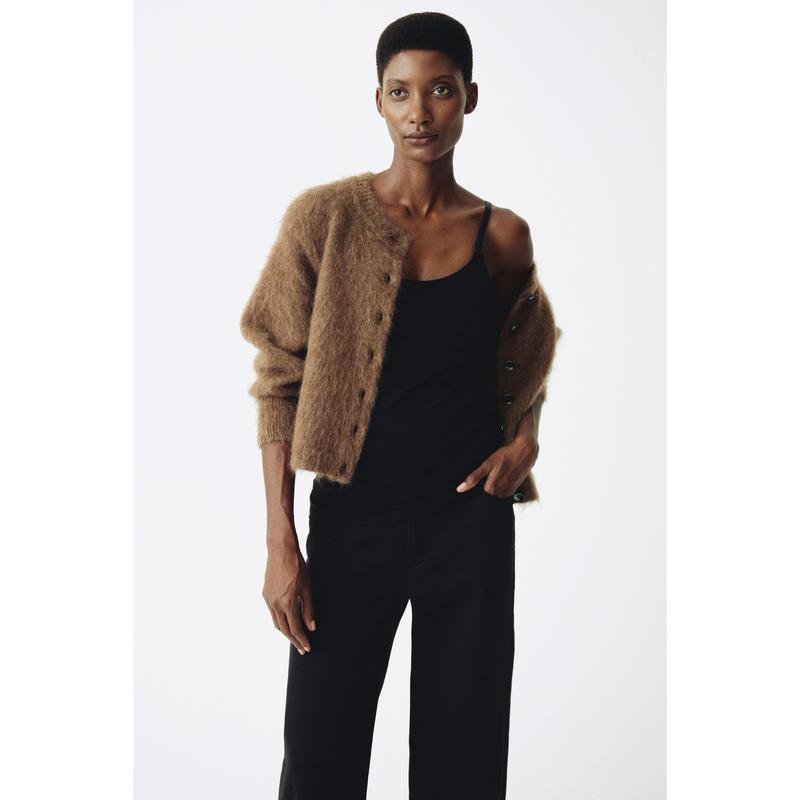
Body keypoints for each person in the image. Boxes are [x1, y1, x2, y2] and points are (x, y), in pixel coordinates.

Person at [239, 12, 562, 799]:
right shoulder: (324, 220)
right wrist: (281, 540)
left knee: (464, 762)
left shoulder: (502, 236)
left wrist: (526, 438)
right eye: (401, 92)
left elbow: (526, 356)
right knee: (319, 761)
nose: (421, 113)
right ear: (378, 101)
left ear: (470, 97)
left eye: (441, 91)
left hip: (469, 525)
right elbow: (279, 376)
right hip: (350, 522)